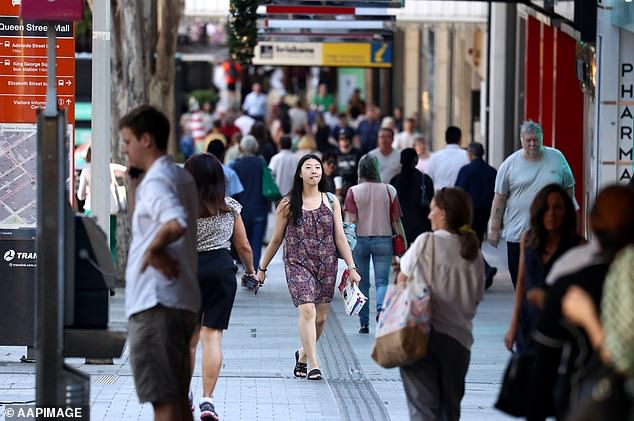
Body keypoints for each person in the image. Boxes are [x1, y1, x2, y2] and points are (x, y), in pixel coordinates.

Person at [526, 185, 634, 420]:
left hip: (591, 401)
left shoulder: (573, 283)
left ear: (593, 224)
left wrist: (588, 317)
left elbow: (543, 368)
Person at [121, 105, 199, 421]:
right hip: (180, 301)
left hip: (155, 304)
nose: (124, 149)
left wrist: (153, 251)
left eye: (127, 141)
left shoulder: (157, 182)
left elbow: (175, 221)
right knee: (178, 399)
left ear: (146, 140)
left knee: (164, 403)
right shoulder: (179, 176)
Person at [256, 154, 361, 380]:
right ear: (299, 173)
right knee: (307, 310)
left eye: (317, 167)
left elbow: (340, 237)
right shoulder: (287, 204)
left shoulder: (331, 201)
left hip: (326, 263)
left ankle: (303, 353)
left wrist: (351, 267)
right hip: (297, 263)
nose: (314, 171)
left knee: (321, 318)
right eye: (309, 167)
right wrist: (262, 269)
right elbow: (275, 239)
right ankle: (314, 364)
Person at [396, 188, 485, 421]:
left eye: (432, 209)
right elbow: (476, 298)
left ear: (443, 213)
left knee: (422, 410)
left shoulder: (426, 242)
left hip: (420, 335)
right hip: (458, 341)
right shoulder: (475, 253)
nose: (429, 215)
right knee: (450, 410)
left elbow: (402, 279)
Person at [184, 153, 256, 421]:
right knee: (212, 336)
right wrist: (251, 273)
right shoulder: (230, 207)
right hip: (220, 270)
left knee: (188, 341)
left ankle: (185, 394)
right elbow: (244, 246)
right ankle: (207, 400)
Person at [487, 120, 575, 289]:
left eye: (536, 140)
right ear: (522, 140)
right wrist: (494, 227)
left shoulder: (556, 157)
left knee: (546, 280)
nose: (533, 144)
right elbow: (499, 198)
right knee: (519, 282)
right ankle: (524, 311)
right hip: (517, 233)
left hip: (549, 232)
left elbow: (569, 187)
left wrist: (568, 217)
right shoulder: (509, 164)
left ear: (542, 138)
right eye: (528, 140)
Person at [504, 184, 582, 354]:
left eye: (557, 208)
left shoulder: (578, 246)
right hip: (528, 323)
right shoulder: (529, 239)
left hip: (560, 327)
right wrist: (513, 324)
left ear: (567, 212)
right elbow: (522, 282)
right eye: (546, 208)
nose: (551, 213)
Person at [345, 154, 406, 333]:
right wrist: (404, 242)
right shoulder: (389, 190)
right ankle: (381, 309)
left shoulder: (353, 192)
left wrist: (346, 247)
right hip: (383, 240)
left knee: (362, 283)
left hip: (360, 242)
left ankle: (364, 323)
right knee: (382, 281)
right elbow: (397, 221)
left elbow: (351, 221)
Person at [455, 142, 498, 288]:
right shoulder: (491, 171)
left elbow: (458, 191)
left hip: (469, 212)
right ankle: (481, 272)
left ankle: (485, 269)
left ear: (470, 154)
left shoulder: (466, 170)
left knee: (466, 242)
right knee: (476, 241)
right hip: (485, 212)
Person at [230, 135, 269, 270]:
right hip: (260, 208)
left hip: (242, 210)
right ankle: (255, 269)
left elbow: (233, 191)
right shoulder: (261, 162)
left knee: (243, 241)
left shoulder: (236, 165)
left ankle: (248, 269)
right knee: (256, 241)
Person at [390, 148, 434, 244]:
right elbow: (431, 202)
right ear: (416, 160)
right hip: (421, 227)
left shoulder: (394, 181)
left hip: (400, 227)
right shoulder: (425, 180)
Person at [426, 126, 469, 191]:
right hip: (460, 196)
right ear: (460, 139)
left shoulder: (435, 156)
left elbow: (428, 179)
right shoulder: (467, 155)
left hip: (440, 195)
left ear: (445, 139)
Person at [335, 129, 362, 202]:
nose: (344, 140)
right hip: (339, 190)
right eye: (341, 138)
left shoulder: (357, 153)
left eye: (346, 138)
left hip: (355, 189)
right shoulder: (335, 154)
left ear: (350, 139)